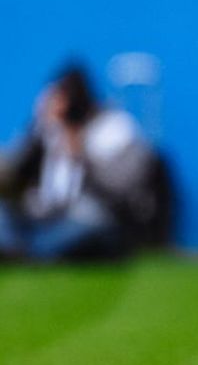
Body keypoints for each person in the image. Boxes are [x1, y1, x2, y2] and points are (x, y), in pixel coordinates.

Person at [0, 65, 166, 262]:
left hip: (95, 216)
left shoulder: (114, 127)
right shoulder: (46, 127)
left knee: (84, 223)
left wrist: (81, 154)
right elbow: (13, 172)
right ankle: (19, 249)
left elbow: (121, 187)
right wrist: (36, 130)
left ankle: (30, 252)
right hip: (45, 213)